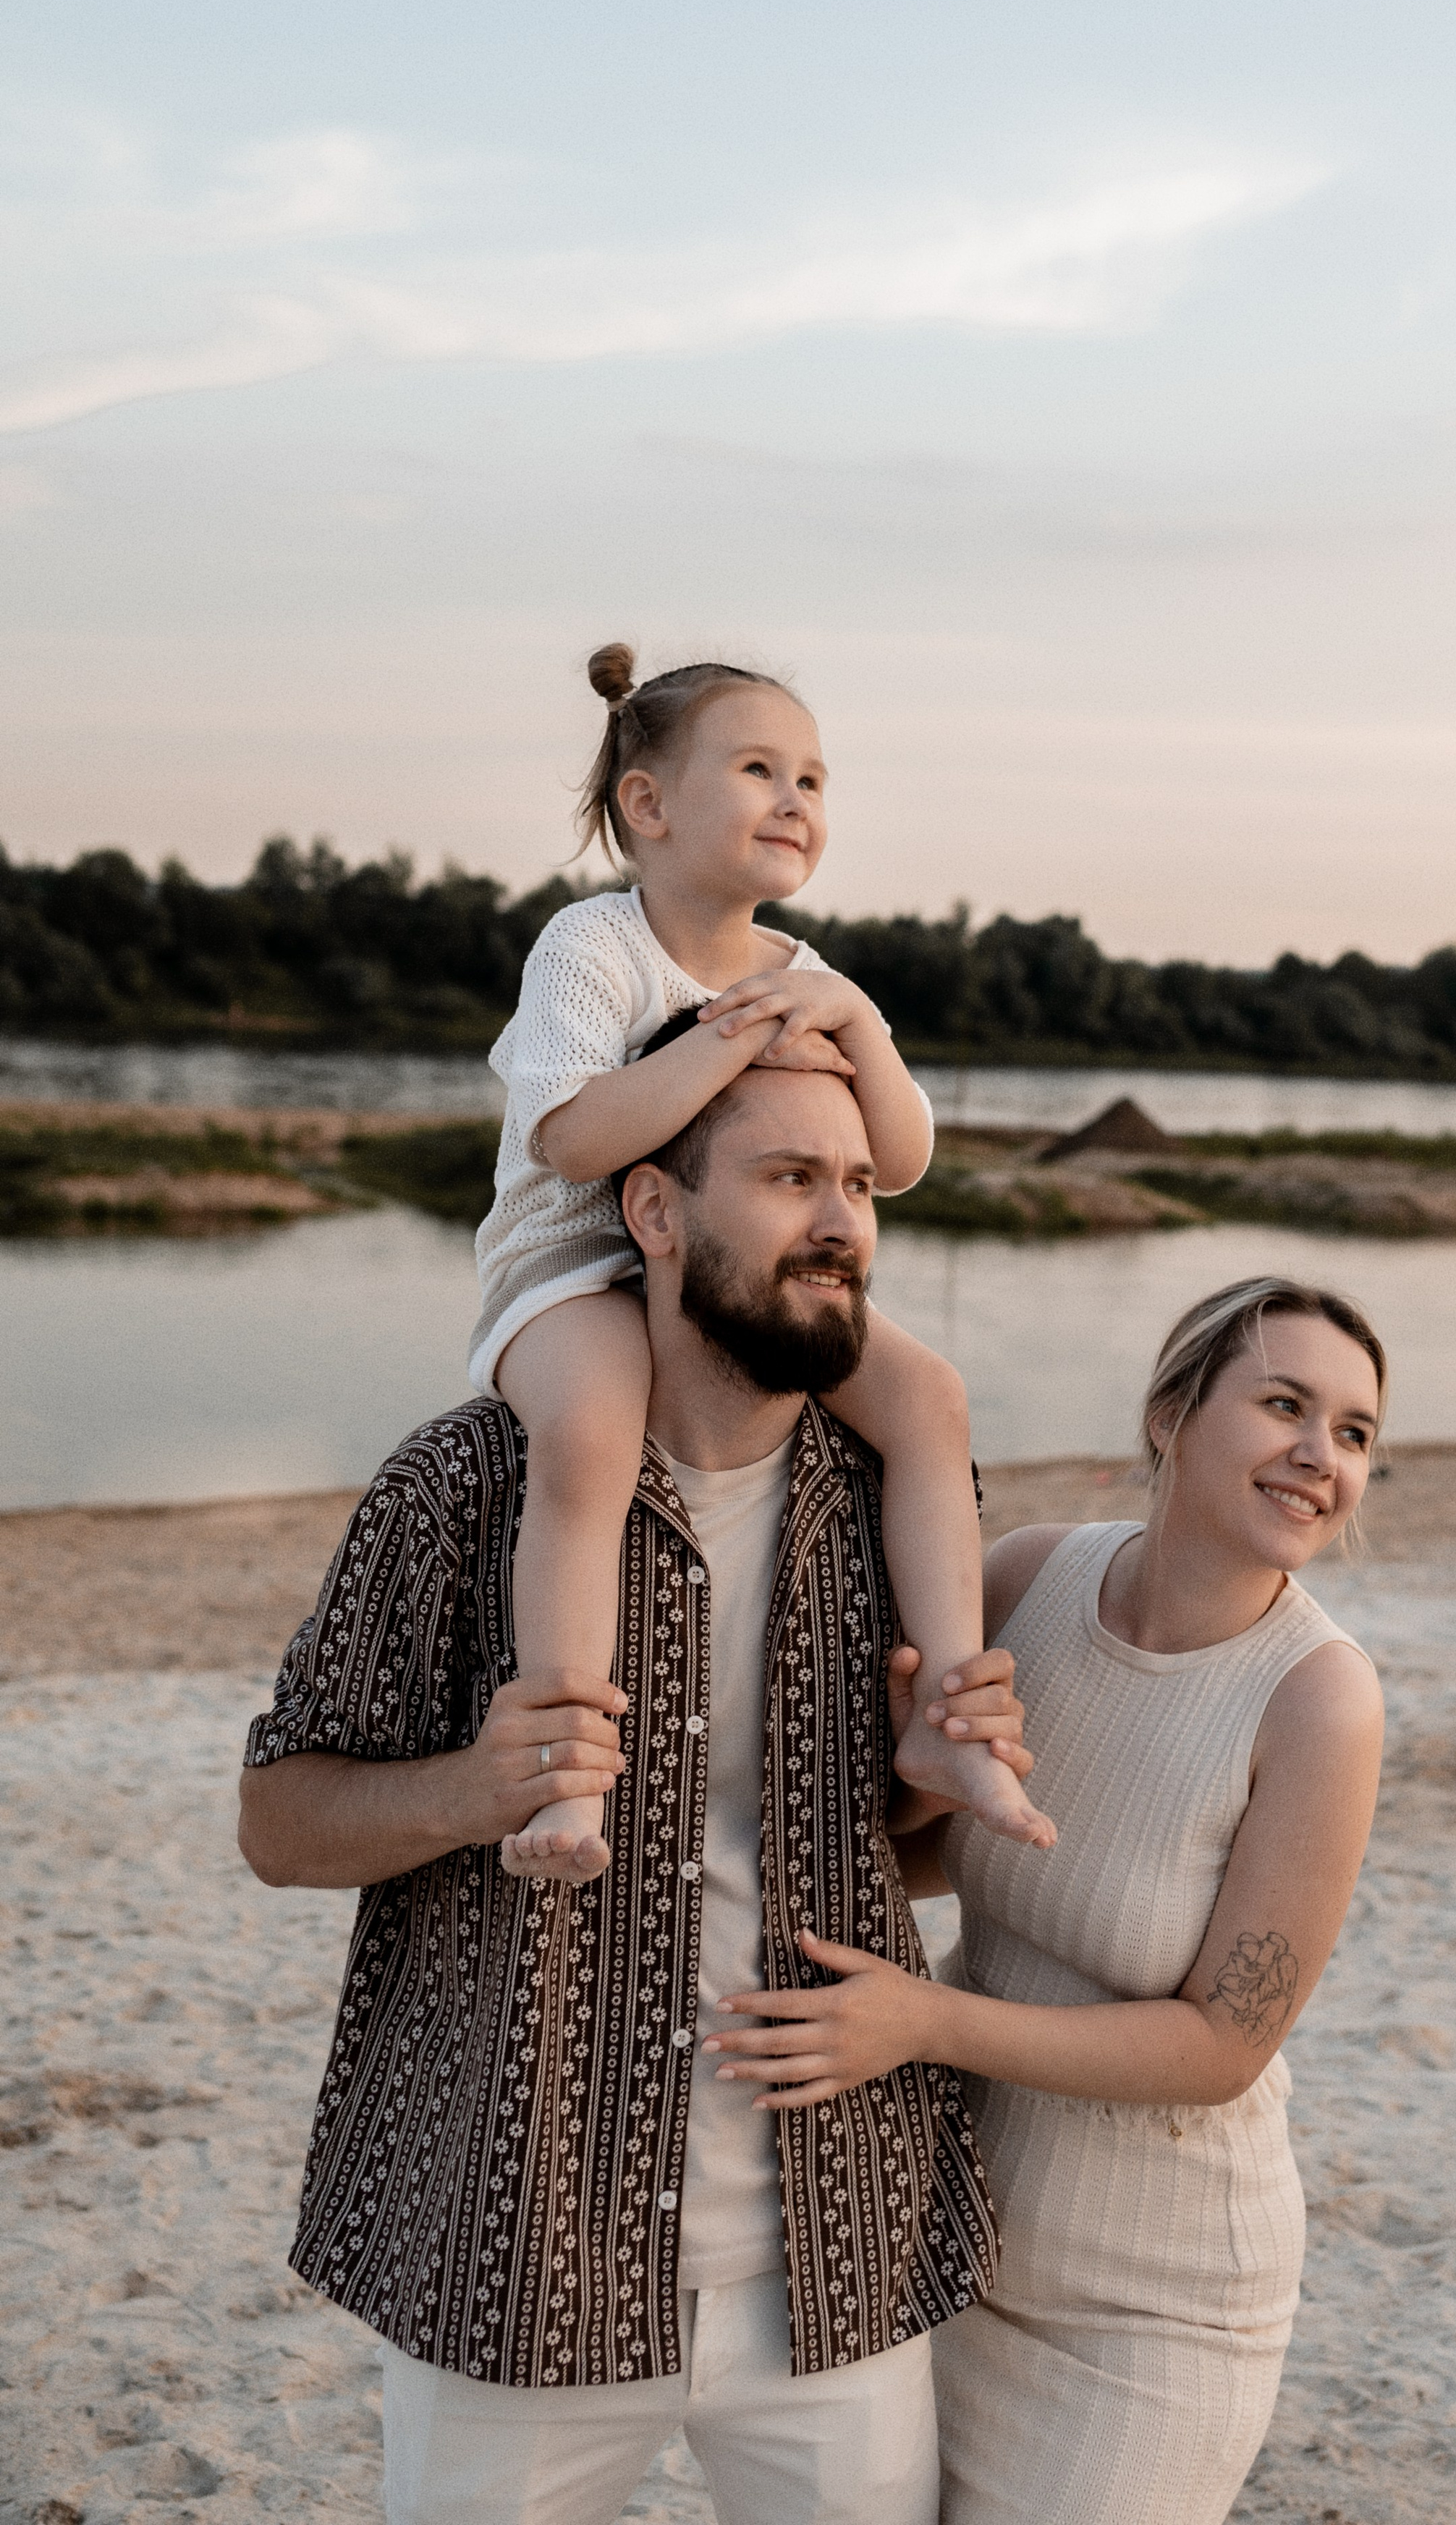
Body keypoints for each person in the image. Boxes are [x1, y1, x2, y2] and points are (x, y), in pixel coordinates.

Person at [237, 1057, 1031, 2525]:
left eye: (858, 1187)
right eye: (792, 1178)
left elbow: (896, 1859)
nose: (841, 1221)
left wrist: (930, 1780)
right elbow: (278, 1822)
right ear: (655, 1211)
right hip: (522, 2237)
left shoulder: (907, 1506)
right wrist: (480, 1788)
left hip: (831, 2241)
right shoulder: (463, 1486)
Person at [701, 1274, 1388, 2525]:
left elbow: (1225, 2045)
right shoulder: (1025, 1581)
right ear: (1170, 1414)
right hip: (948, 2242)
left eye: (1352, 1433)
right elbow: (927, 1855)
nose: (1317, 1456)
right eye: (1284, 1404)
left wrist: (924, 2023)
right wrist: (914, 1776)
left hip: (1156, 2309)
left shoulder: (1321, 1702)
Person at [473, 640, 1051, 1877]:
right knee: (589, 1433)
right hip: (570, 1266)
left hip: (730, 1273)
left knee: (932, 1401)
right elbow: (569, 1137)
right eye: (758, 769)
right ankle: (567, 1771)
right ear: (650, 804)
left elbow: (898, 1159)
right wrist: (729, 1047)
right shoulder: (593, 949)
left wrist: (852, 1028)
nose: (797, 800)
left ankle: (951, 1714)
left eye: (815, 779)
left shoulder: (812, 975)